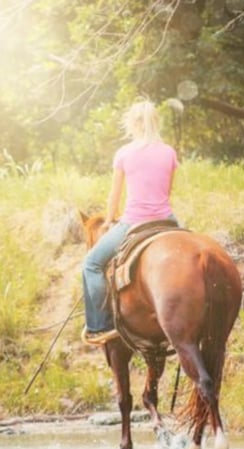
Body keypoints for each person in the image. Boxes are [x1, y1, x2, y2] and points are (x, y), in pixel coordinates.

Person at [82, 100, 180, 345]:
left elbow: (114, 195)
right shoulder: (168, 152)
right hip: (167, 219)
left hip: (134, 221)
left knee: (91, 264)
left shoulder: (124, 153)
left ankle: (99, 326)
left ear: (135, 124)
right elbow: (167, 191)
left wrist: (109, 221)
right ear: (155, 122)